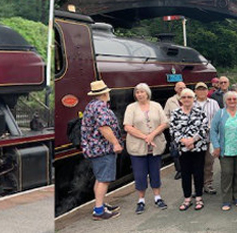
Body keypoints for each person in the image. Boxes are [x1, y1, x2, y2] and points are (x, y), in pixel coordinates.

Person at [124, 83, 168, 214]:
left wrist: (152, 135)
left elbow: (164, 123)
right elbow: (127, 126)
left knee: (155, 172)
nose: (140, 94)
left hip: (155, 145)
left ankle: (157, 197)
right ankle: (141, 200)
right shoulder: (131, 108)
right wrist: (145, 137)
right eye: (137, 92)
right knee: (140, 174)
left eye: (142, 92)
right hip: (137, 147)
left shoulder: (156, 106)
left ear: (147, 93)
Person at [81, 80, 122, 220]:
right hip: (102, 149)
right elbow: (104, 127)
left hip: (96, 149)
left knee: (100, 179)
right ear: (105, 93)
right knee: (104, 179)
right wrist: (115, 143)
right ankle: (99, 211)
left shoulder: (92, 105)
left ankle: (100, 205)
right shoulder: (100, 107)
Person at [170, 89, 210, 211]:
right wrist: (184, 141)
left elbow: (205, 128)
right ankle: (187, 198)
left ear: (193, 98)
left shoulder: (200, 111)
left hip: (198, 148)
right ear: (180, 99)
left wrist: (193, 140)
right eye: (184, 97)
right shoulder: (176, 113)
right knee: (185, 174)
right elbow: (173, 130)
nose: (186, 99)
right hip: (183, 149)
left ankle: (199, 197)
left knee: (198, 173)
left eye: (189, 97)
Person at [212, 91, 237, 210]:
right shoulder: (220, 113)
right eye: (229, 99)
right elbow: (213, 131)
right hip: (225, 150)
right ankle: (226, 200)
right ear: (225, 101)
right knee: (227, 174)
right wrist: (216, 146)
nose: (232, 101)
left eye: (234, 99)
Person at [194, 83, 221, 194]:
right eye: (199, 89)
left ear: (207, 91)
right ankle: (197, 186)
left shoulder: (214, 103)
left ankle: (208, 184)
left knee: (209, 163)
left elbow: (218, 119)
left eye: (203, 89)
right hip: (195, 139)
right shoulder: (192, 103)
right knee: (196, 164)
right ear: (195, 91)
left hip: (210, 137)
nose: (201, 92)